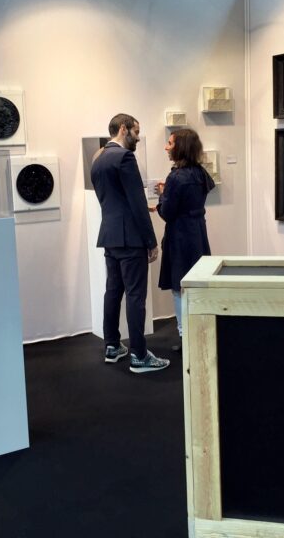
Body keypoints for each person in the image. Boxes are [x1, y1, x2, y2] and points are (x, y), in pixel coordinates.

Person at [91, 113, 170, 373]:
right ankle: (139, 355)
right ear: (123, 129)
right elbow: (136, 202)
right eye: (136, 131)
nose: (137, 137)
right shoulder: (124, 157)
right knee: (136, 295)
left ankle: (112, 346)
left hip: (110, 236)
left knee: (113, 292)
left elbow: (109, 200)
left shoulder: (98, 159)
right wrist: (151, 241)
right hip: (131, 238)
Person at [155, 128, 215, 350]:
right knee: (196, 284)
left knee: (179, 286)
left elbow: (167, 212)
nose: (166, 147)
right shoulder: (200, 173)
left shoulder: (176, 177)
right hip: (198, 233)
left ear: (180, 147)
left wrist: (163, 195)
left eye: (170, 143)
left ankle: (185, 336)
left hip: (180, 236)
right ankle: (199, 333)